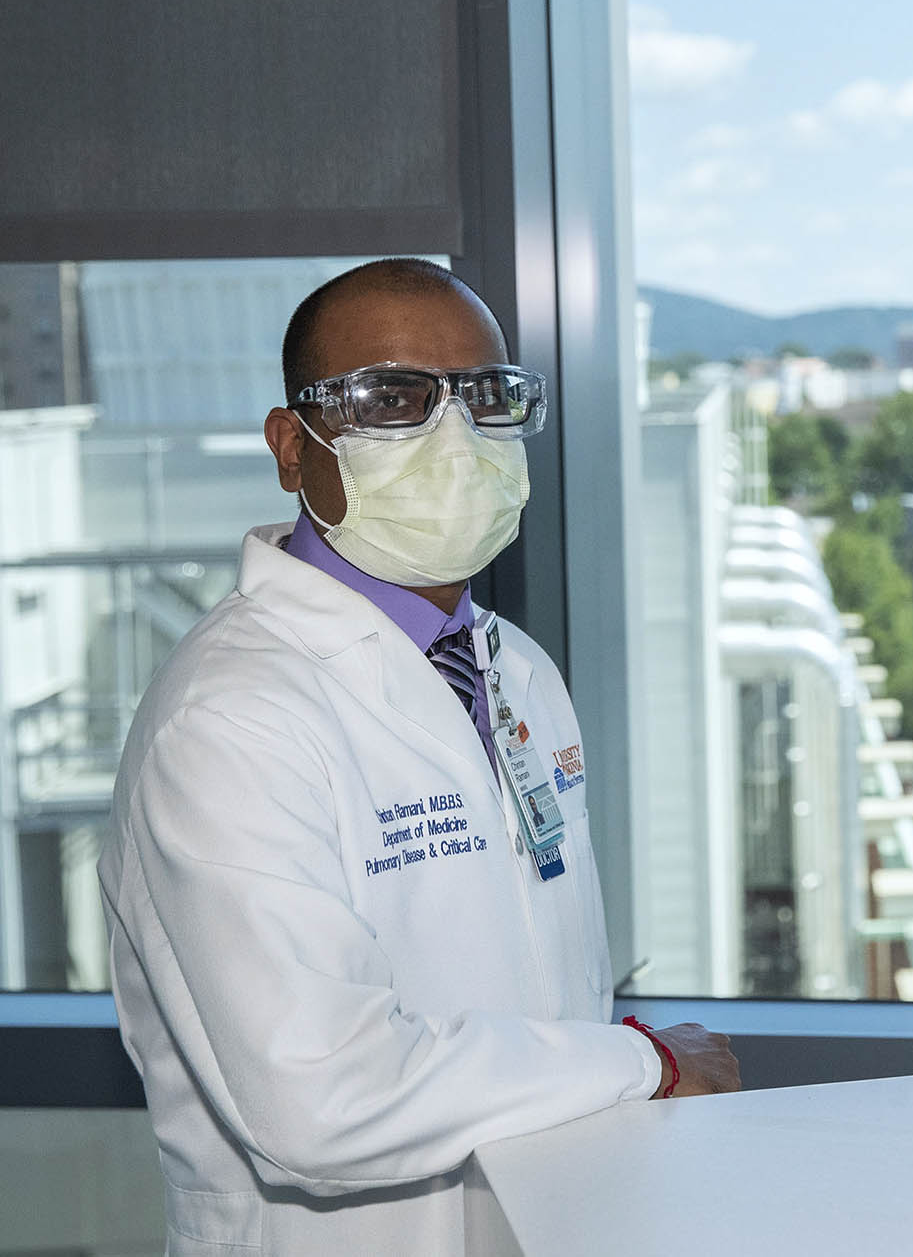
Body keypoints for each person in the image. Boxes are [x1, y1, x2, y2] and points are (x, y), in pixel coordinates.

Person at [99, 259, 739, 1256]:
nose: (454, 437)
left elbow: (544, 983)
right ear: (290, 445)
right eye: (390, 398)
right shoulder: (229, 720)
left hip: (550, 1218)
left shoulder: (514, 669)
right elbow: (320, 1095)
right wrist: (639, 1064)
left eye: (486, 397)